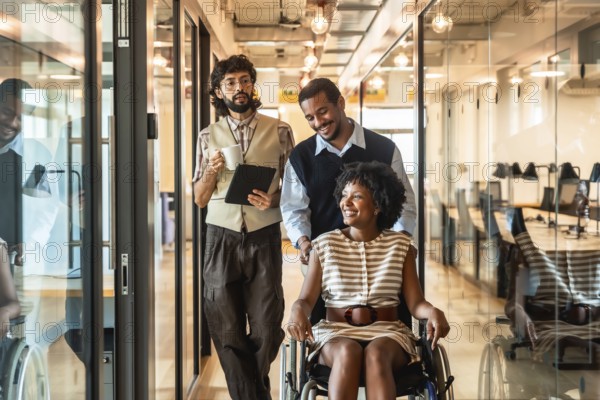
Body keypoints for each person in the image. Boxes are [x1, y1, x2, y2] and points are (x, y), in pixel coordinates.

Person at [287, 161, 449, 400]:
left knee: (376, 353)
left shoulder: (400, 246)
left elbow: (416, 304)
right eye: (344, 196)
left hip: (388, 333)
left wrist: (434, 311)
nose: (346, 203)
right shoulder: (323, 245)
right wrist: (296, 310)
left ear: (377, 205)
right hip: (334, 333)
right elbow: (305, 300)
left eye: (357, 196)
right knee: (348, 351)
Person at [192, 54, 295, 400]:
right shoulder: (208, 136)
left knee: (267, 325)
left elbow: (295, 189)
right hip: (220, 239)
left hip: (264, 237)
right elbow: (200, 199)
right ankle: (255, 394)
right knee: (225, 326)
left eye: (245, 81)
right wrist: (209, 171)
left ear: (253, 85)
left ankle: (248, 391)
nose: (239, 88)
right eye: (231, 83)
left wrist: (276, 200)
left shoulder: (280, 131)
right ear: (219, 91)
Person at [280, 77, 417, 324]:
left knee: (390, 322)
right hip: (325, 260)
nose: (318, 122)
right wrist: (303, 242)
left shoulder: (384, 149)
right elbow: (293, 209)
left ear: (340, 103)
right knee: (326, 327)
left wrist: (402, 241)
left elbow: (404, 202)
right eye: (310, 117)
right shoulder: (300, 157)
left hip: (381, 258)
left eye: (323, 112)